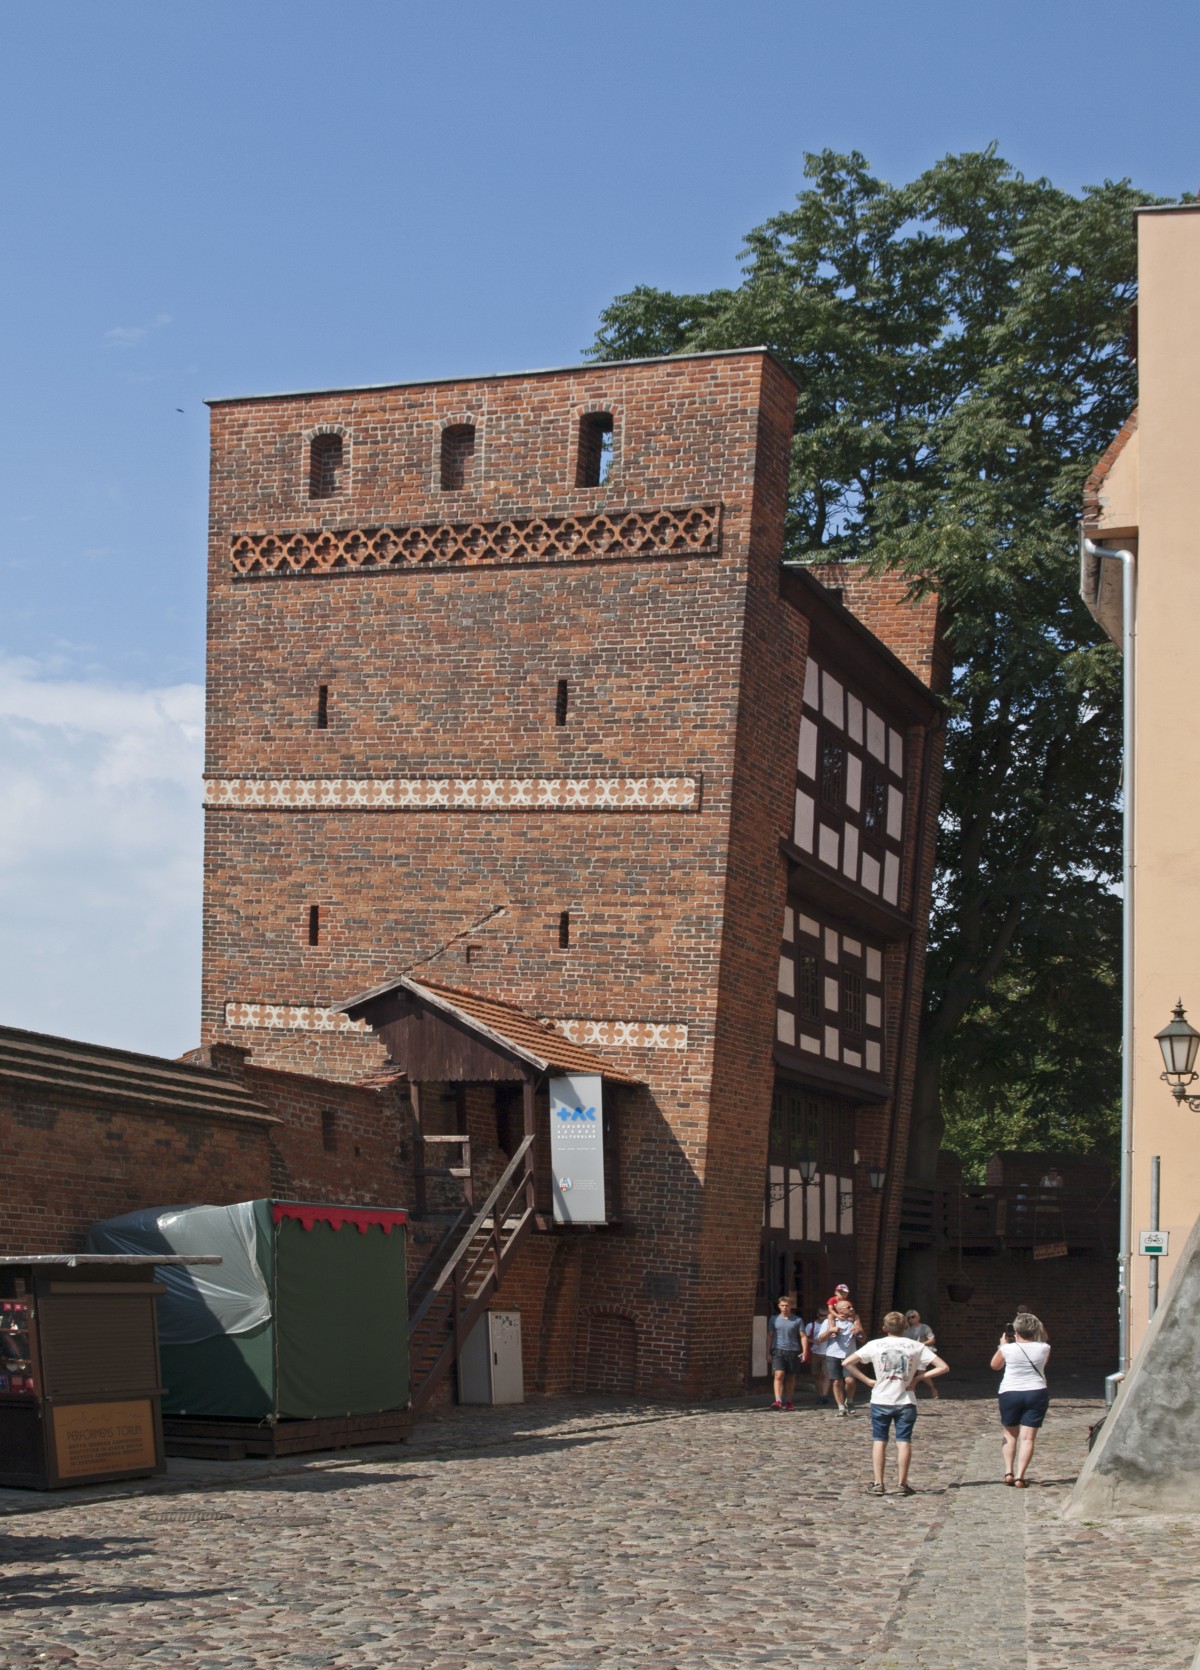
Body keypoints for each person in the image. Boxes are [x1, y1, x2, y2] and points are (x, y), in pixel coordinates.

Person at [844, 1311, 949, 1495]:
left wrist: (867, 1380)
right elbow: (943, 1367)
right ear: (905, 1328)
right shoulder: (915, 1346)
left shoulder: (875, 1345)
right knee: (904, 1441)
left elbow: (847, 1362)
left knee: (879, 1440)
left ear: (885, 1328)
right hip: (906, 1400)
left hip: (880, 1399)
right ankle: (902, 1483)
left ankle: (878, 1483)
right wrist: (918, 1378)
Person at [991, 1311, 1051, 1486]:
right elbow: (1042, 1364)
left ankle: (1008, 1471)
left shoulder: (1007, 1348)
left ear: (1016, 1330)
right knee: (1028, 1437)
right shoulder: (1044, 1348)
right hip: (1036, 1391)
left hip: (1010, 1391)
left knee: (1009, 1434)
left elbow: (995, 1366)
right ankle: (1020, 1476)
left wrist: (1001, 1346)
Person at [819, 1298, 864, 1416]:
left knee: (850, 1381)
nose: (851, 1309)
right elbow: (820, 1339)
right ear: (839, 1310)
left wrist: (860, 1332)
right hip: (833, 1354)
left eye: (851, 1307)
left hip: (850, 1355)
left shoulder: (854, 1321)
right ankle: (840, 1407)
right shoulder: (830, 1321)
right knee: (836, 1381)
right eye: (848, 1307)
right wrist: (830, 1331)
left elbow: (863, 1339)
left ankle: (850, 1400)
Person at [766, 1295, 807, 1410]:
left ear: (791, 1307)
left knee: (791, 1377)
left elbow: (803, 1336)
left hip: (793, 1350)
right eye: (782, 1305)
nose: (785, 1308)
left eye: (787, 1306)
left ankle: (789, 1401)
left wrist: (804, 1351)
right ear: (779, 1306)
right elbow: (770, 1335)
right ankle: (778, 1400)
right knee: (779, 1375)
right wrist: (767, 1352)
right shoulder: (774, 1319)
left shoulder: (797, 1320)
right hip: (778, 1350)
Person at [903, 1310, 940, 1398]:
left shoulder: (924, 1327)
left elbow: (932, 1339)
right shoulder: (907, 1329)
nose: (911, 1319)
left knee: (920, 1371)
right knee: (910, 1371)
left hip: (922, 1351)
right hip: (911, 1352)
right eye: (908, 1317)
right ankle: (912, 1390)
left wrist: (921, 1344)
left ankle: (932, 1388)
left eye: (913, 1316)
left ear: (918, 1317)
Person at [806, 1311, 831, 1405]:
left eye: (825, 1315)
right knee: (816, 1375)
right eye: (821, 1315)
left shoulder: (831, 1325)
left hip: (827, 1352)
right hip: (815, 1352)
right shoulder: (811, 1325)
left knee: (826, 1375)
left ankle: (824, 1396)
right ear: (817, 1315)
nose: (823, 1317)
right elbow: (804, 1337)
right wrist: (813, 1341)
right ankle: (820, 1394)